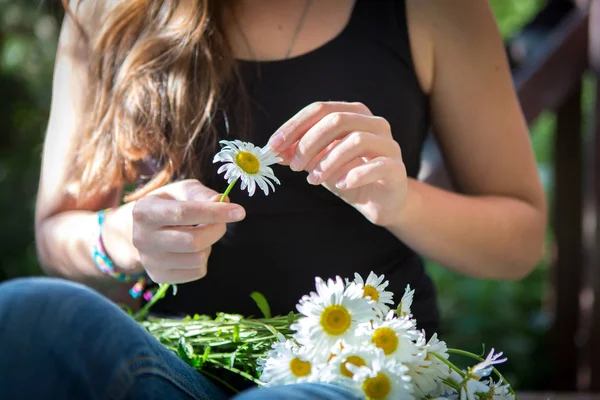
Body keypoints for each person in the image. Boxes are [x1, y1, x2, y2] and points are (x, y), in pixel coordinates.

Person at [0, 0, 547, 398]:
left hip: (362, 370)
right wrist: (121, 239)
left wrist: (404, 203)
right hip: (170, 369)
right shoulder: (109, 10)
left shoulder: (435, 11)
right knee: (22, 313)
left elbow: (520, 243)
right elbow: (57, 234)